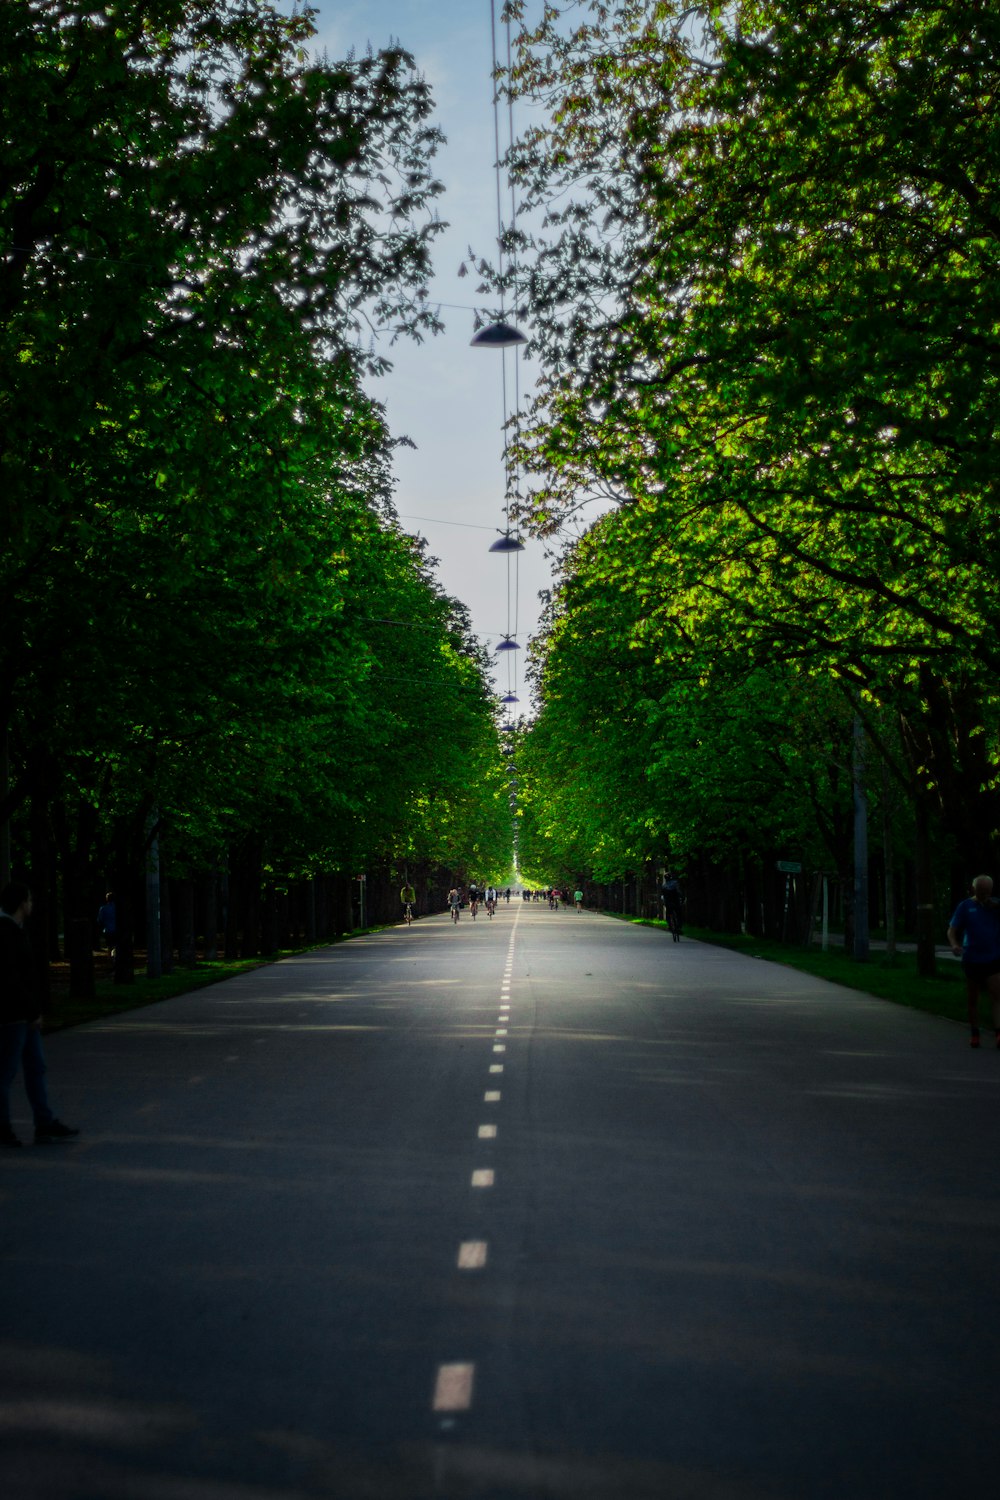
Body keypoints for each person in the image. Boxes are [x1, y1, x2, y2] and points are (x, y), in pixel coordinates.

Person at [1, 882, 80, 1147]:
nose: (32, 904)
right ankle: (5, 1129)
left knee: (35, 1067)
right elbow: (11, 979)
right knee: (6, 1072)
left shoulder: (15, 930)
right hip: (14, 1016)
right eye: (30, 900)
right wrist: (32, 1011)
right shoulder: (6, 932)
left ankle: (44, 1123)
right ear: (22, 903)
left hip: (23, 1015)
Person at [947, 874, 1000, 1048]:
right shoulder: (965, 906)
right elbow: (952, 930)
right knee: (973, 998)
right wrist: (955, 944)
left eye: (987, 890)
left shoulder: (996, 905)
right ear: (974, 889)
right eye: (981, 890)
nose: (985, 893)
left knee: (996, 994)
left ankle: (998, 1032)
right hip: (972, 958)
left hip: (993, 957)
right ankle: (975, 1032)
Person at [97, 890, 116, 954]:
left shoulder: (103, 908)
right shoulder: (117, 908)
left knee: (109, 946)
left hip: (107, 930)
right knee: (115, 945)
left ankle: (110, 960)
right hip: (116, 929)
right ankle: (115, 958)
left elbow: (100, 920)